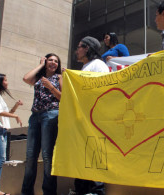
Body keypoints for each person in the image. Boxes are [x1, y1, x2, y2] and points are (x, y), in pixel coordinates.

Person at [70, 36, 108, 195]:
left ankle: (96, 191)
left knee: (94, 156)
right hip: (83, 119)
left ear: (87, 48)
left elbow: (103, 90)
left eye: (79, 46)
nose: (76, 50)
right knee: (82, 157)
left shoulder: (98, 65)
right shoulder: (86, 67)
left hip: (94, 119)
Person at [22, 53, 62, 195]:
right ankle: (26, 192)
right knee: (31, 155)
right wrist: (40, 65)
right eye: (50, 60)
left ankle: (49, 192)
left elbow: (63, 97)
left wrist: (51, 86)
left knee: (47, 155)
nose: (53, 63)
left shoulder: (59, 77)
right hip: (35, 117)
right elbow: (26, 78)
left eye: (56, 61)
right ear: (45, 61)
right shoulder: (39, 78)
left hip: (51, 115)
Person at [0, 73, 23, 195]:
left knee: (0, 159)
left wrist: (16, 107)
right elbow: (0, 112)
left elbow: (7, 113)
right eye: (5, 80)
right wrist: (16, 115)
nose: (7, 82)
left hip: (2, 130)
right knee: (1, 158)